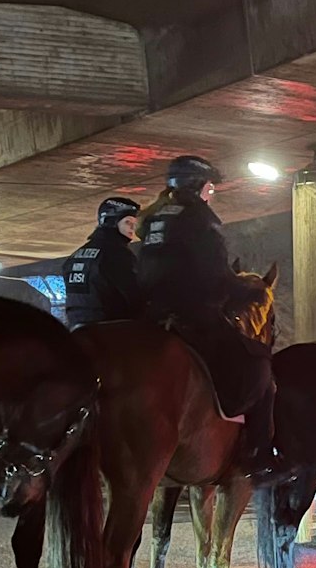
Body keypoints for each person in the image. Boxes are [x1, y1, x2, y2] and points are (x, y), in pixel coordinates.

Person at [136, 155, 278, 476]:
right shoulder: (201, 219)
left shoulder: (154, 218)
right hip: (193, 313)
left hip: (151, 313)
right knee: (259, 368)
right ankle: (259, 454)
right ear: (200, 186)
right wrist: (245, 292)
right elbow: (214, 273)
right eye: (211, 187)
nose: (211, 193)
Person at [63, 196, 143, 327]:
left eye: (134, 223)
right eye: (127, 222)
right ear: (111, 222)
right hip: (108, 328)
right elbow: (133, 294)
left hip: (77, 328)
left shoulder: (76, 255)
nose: (132, 228)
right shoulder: (117, 253)